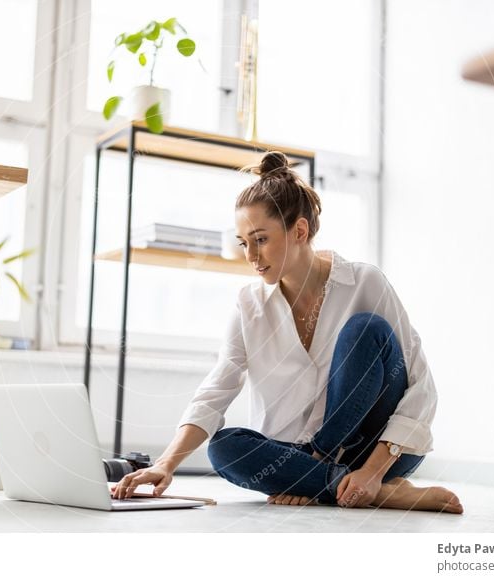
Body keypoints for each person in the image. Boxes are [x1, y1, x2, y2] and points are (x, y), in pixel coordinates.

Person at [112, 151, 463, 513]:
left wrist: (373, 472)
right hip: (291, 454)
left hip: (379, 452)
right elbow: (217, 389)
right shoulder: (249, 304)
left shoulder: (365, 282)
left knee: (365, 329)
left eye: (260, 239)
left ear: (299, 231)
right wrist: (165, 464)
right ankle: (372, 491)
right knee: (223, 448)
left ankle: (340, 479)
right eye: (243, 241)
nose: (250, 254)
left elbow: (421, 387)